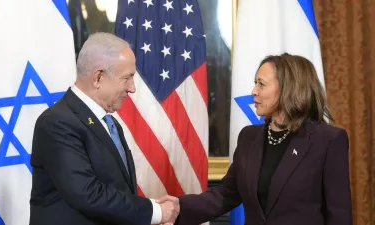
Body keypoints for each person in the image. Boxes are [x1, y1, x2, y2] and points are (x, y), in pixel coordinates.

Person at [158, 53, 353, 225]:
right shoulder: (249, 137)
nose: (254, 91)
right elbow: (226, 194)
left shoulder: (327, 141)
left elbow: (339, 215)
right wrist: (179, 206)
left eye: (261, 84)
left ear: (288, 89)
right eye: (255, 83)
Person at [29, 33, 179, 225]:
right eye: (127, 78)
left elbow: (116, 191)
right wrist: (156, 212)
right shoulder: (57, 122)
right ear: (98, 77)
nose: (132, 88)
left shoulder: (109, 123)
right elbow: (87, 194)